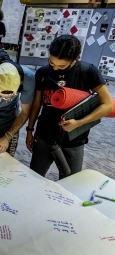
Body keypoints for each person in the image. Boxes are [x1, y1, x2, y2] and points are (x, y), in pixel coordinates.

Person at [26, 35, 113, 179]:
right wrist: (30, 130)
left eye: (62, 66)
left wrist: (79, 123)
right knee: (35, 176)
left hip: (74, 139)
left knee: (71, 182)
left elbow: (108, 105)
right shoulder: (43, 72)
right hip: (44, 135)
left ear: (75, 59)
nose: (55, 68)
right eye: (52, 62)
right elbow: (37, 103)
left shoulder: (87, 72)